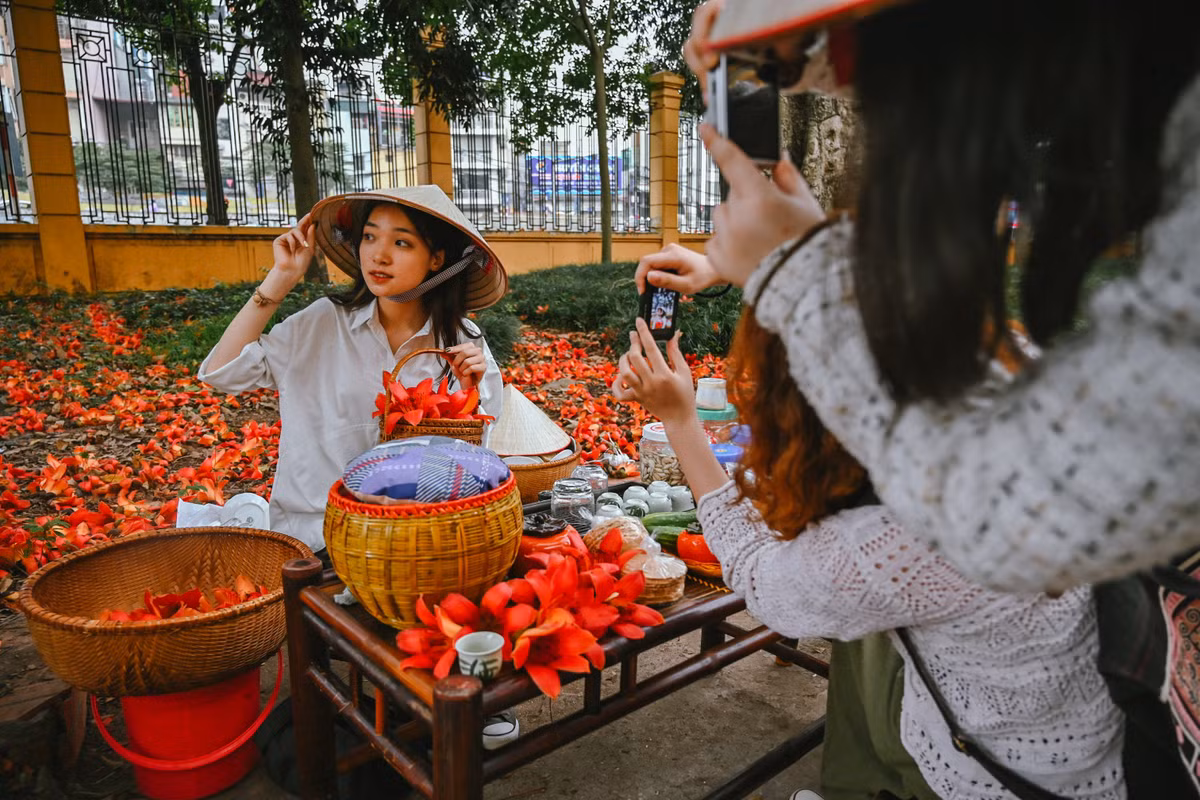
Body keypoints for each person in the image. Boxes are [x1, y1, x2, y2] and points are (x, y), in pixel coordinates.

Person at [647, 0, 1200, 595]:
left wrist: (792, 273)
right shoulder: (999, 360)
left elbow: (1005, 519)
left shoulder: (887, 544)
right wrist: (805, 48)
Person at [612, 313, 1126, 799]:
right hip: (1096, 711)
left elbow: (762, 580)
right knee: (866, 645)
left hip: (1009, 774)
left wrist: (681, 421)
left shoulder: (902, 539)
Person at [198, 186, 506, 559]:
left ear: (437, 259)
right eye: (369, 236)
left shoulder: (463, 343)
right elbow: (222, 373)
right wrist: (278, 280)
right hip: (313, 536)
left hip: (412, 543)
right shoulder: (322, 323)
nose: (378, 254)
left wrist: (470, 393)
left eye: (402, 243)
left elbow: (476, 458)